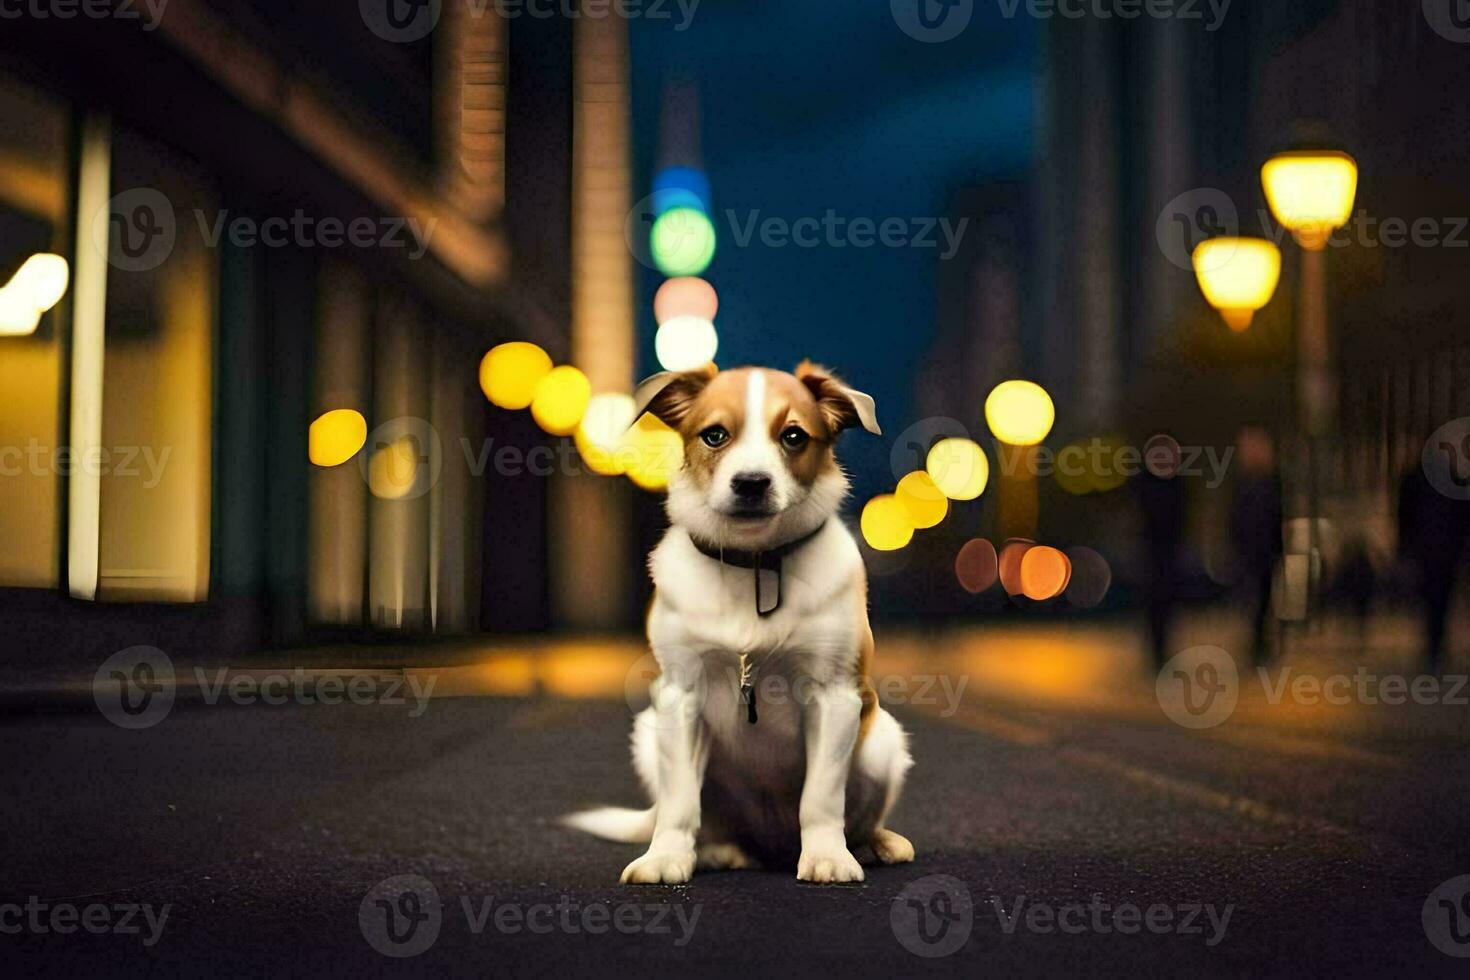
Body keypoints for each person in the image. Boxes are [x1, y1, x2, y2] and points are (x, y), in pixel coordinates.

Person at [1398, 455, 1470, 675]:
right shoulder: (1452, 481)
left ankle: (1434, 646)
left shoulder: (1414, 481)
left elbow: (1404, 515)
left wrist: (1405, 546)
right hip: (1446, 550)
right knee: (1441, 600)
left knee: (1432, 600)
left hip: (1428, 550)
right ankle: (1436, 645)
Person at [1229, 426, 1283, 665]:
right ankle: (1257, 644)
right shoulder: (1245, 484)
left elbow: (1277, 517)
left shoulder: (1270, 482)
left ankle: (1261, 643)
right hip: (1251, 552)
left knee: (1264, 600)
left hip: (1264, 551)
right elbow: (1236, 520)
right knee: (1254, 601)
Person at [1135, 449, 1187, 673]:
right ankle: (1155, 653)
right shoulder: (1146, 485)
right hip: (1151, 557)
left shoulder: (1175, 486)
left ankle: (1162, 652)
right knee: (1153, 609)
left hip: (1167, 556)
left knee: (1166, 607)